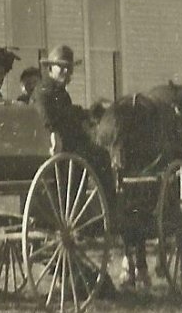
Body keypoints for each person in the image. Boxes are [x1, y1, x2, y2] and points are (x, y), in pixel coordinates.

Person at [32, 44, 119, 291]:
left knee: (97, 152)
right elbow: (43, 114)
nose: (67, 74)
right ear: (51, 68)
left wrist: (86, 114)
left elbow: (69, 115)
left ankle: (96, 208)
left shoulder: (58, 92)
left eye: (69, 70)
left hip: (70, 145)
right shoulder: (45, 91)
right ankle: (106, 212)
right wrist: (51, 133)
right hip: (64, 149)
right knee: (101, 157)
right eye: (62, 68)